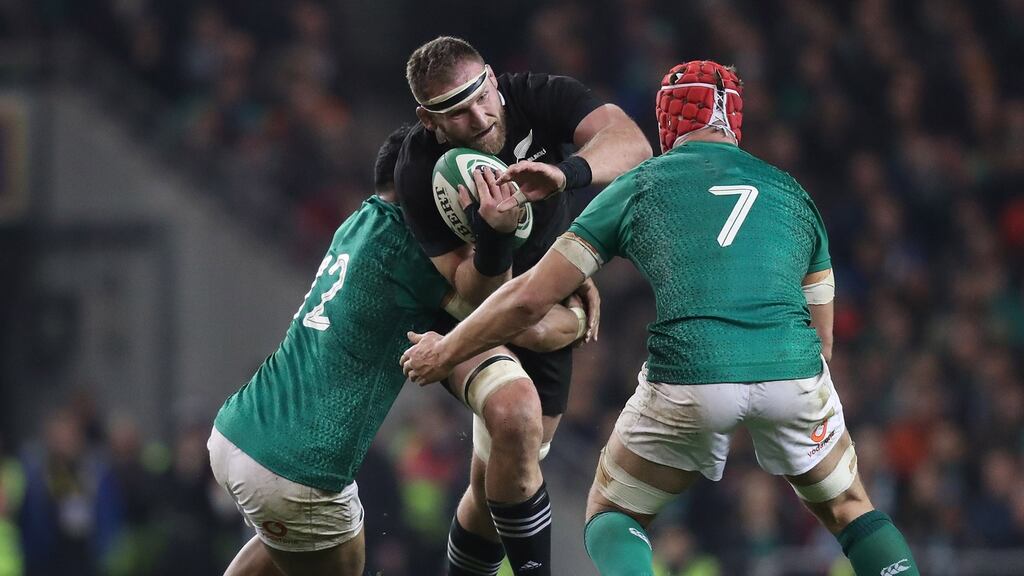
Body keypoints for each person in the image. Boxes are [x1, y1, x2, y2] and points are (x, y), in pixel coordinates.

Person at [400, 60, 921, 576]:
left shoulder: (642, 184)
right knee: (851, 507)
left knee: (611, 514)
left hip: (690, 376)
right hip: (794, 371)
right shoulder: (793, 194)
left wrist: (445, 350)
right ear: (735, 120)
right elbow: (823, 339)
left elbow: (526, 300)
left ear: (667, 122)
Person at [207, 125, 586, 576]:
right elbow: (513, 320)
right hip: (301, 471)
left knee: (283, 541)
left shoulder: (358, 222)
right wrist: (577, 311)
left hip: (238, 432)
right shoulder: (412, 252)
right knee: (319, 547)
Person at [395, 36, 652, 576]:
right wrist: (497, 240)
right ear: (427, 118)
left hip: (540, 296)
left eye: (480, 95)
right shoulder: (418, 170)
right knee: (514, 413)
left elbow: (632, 144)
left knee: (496, 488)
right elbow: (481, 299)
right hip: (462, 316)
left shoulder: (538, 97)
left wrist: (567, 173)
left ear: (492, 77)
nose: (479, 116)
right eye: (455, 111)